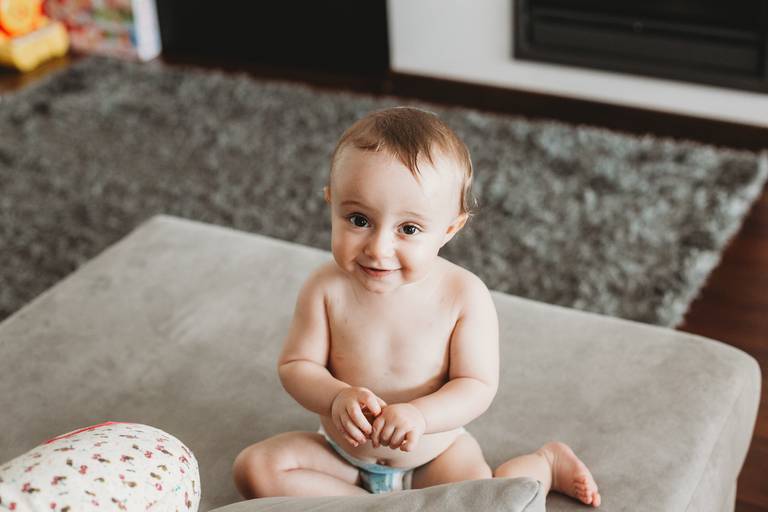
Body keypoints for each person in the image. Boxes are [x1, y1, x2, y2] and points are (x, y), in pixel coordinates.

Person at [232, 106, 601, 506]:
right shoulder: (325, 288)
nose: (378, 248)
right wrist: (336, 396)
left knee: (483, 498)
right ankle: (375, 505)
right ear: (331, 202)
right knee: (254, 469)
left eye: (408, 229)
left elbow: (476, 386)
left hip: (436, 456)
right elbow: (296, 367)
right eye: (358, 219)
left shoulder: (463, 295)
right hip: (343, 457)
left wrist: (420, 417)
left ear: (449, 228)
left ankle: (542, 466)